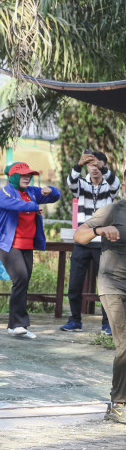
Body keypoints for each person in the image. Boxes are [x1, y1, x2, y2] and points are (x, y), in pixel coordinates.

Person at [0, 162, 61, 339]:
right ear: (13, 177)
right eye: (23, 174)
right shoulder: (6, 191)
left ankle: (16, 325)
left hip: (27, 244)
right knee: (21, 277)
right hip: (8, 244)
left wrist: (50, 190)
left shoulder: (32, 191)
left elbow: (56, 196)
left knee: (24, 281)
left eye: (29, 175)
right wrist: (34, 206)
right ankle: (17, 324)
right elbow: (12, 204)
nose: (27, 177)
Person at [75, 197, 126, 425]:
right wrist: (99, 230)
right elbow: (80, 236)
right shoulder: (113, 210)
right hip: (113, 285)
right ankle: (118, 404)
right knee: (125, 343)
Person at [63, 150, 119, 334]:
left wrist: (102, 166)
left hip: (103, 242)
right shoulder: (82, 184)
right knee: (75, 283)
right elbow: (70, 182)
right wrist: (78, 164)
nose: (94, 169)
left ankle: (106, 323)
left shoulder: (109, 186)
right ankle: (74, 320)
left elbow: (116, 183)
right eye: (91, 165)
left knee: (105, 284)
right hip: (83, 240)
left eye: (98, 165)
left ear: (103, 166)